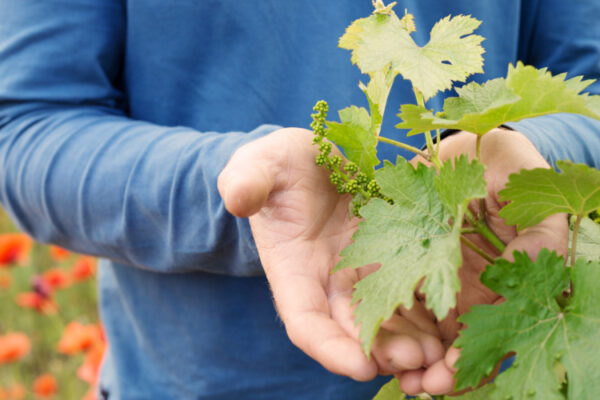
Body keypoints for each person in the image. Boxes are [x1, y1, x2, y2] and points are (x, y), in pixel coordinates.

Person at [0, 1, 599, 398]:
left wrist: (532, 157)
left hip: (498, 368)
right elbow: (27, 125)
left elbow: (588, 88)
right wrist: (241, 192)